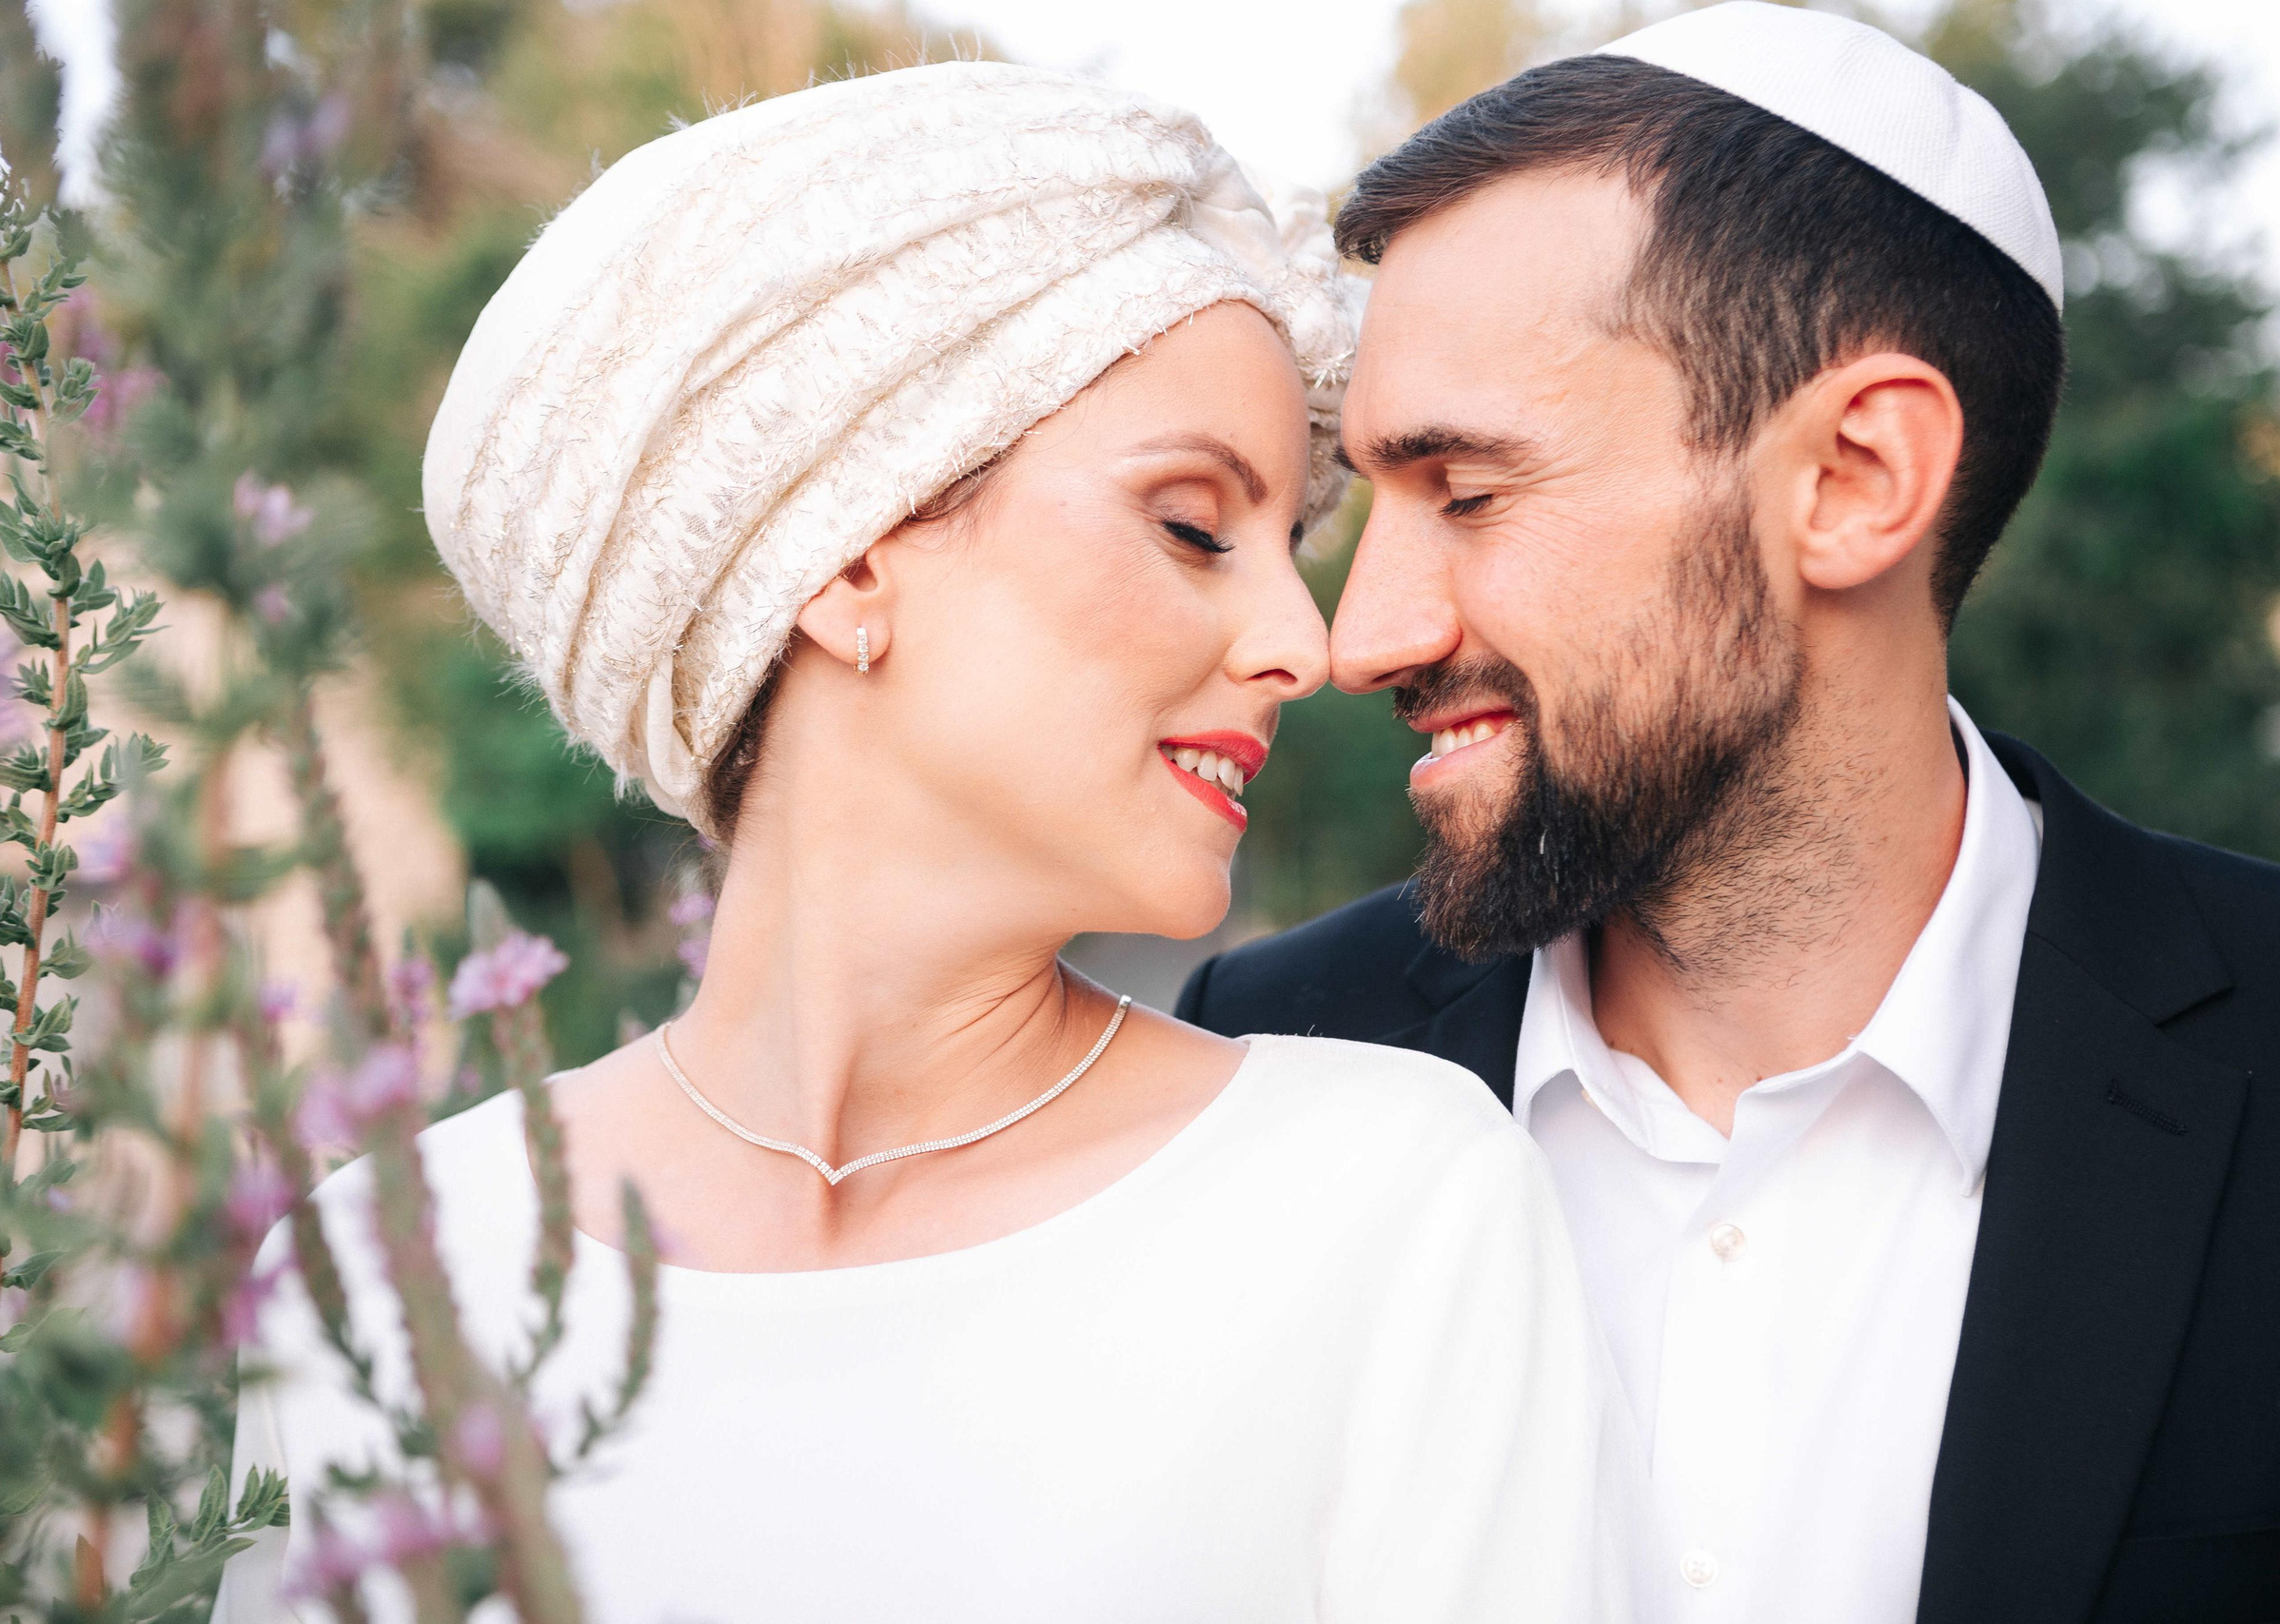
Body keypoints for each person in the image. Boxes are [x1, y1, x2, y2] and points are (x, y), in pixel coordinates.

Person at [212, 61, 1641, 1624]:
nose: (1305, 643)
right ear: (846, 561)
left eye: (1286, 548)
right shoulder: (380, 1271)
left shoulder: (1390, 1202)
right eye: (1189, 525)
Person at [1179, 6, 2280, 1622]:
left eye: (1471, 492)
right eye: (1373, 502)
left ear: (1857, 475)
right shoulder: (1265, 1069)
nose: (1358, 633)